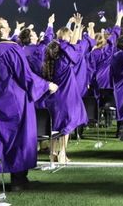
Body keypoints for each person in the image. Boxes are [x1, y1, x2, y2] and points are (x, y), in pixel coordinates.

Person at [0, 16, 58, 193]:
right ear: (0, 30)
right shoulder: (12, 49)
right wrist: (47, 85)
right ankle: (18, 181)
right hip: (14, 104)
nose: (9, 26)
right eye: (6, 24)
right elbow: (25, 76)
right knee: (19, 140)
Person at [43, 13, 91, 163]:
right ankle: (62, 153)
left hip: (52, 98)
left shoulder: (49, 60)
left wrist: (72, 27)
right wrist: (76, 26)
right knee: (67, 126)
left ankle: (53, 154)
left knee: (54, 126)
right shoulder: (64, 60)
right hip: (66, 97)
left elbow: (69, 44)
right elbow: (74, 47)